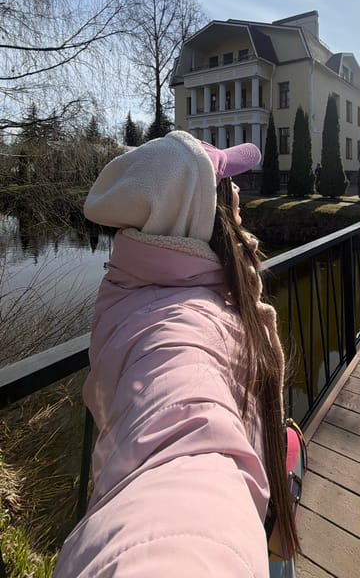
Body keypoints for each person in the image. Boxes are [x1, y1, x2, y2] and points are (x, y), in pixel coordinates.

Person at [53, 132, 298, 577]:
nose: (239, 193)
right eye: (226, 182)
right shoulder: (183, 326)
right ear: (198, 212)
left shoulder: (134, 285)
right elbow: (183, 428)